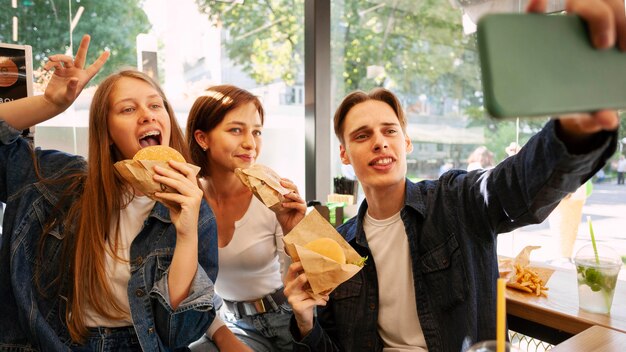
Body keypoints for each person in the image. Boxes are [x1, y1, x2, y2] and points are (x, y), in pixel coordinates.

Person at [283, 0, 623, 350]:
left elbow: (519, 186)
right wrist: (305, 322)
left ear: (407, 142)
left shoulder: (456, 200)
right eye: (362, 135)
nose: (380, 143)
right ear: (344, 153)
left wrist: (576, 130)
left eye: (389, 131)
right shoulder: (340, 248)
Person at [0, 35, 218, 351]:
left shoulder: (193, 205)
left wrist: (186, 234)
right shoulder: (59, 180)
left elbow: (179, 332)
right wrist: (50, 103)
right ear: (108, 133)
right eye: (128, 109)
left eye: (156, 105)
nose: (148, 115)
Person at [186, 85, 306, 352]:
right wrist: (223, 337)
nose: (251, 143)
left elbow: (307, 277)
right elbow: (190, 289)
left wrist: (296, 231)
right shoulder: (188, 199)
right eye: (236, 130)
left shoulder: (272, 193)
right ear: (202, 138)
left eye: (256, 131)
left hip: (288, 315)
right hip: (227, 321)